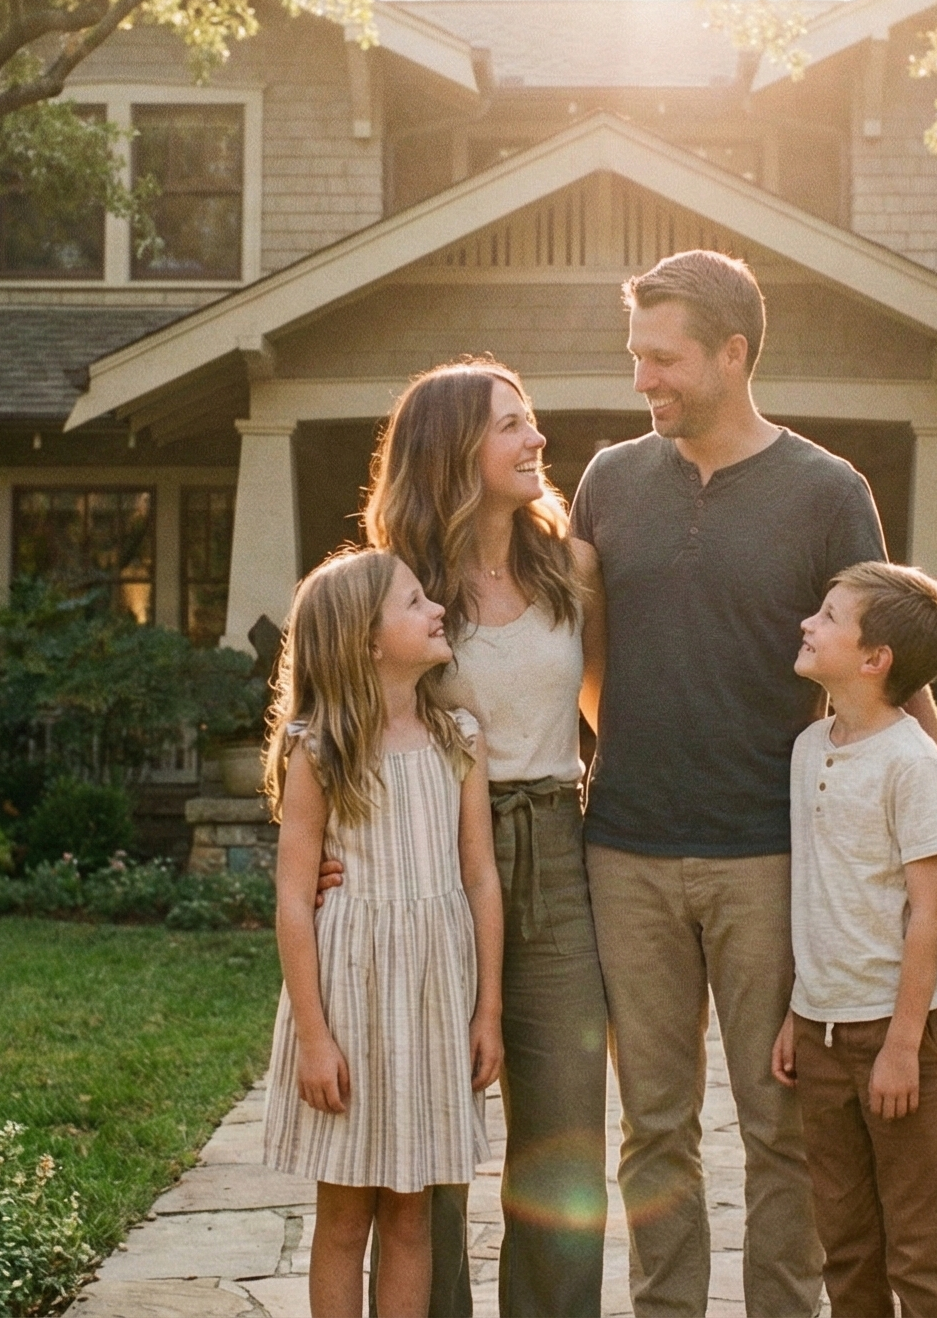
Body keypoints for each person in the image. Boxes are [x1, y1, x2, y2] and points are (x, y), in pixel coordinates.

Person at [570, 249, 937, 1318]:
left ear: (733, 353)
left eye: (665, 359)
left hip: (769, 857)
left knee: (778, 1127)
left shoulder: (828, 492)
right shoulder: (608, 481)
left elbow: (886, 660)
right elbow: (579, 646)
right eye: (636, 357)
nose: (644, 380)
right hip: (627, 848)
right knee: (652, 1127)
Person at [363, 360, 611, 1316]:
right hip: (430, 853)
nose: (535, 439)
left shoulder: (571, 569)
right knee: (430, 1132)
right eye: (511, 425)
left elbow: (602, 709)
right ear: (451, 451)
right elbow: (339, 729)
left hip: (553, 847)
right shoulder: (396, 588)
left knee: (564, 1135)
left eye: (532, 419)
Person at [263, 549, 506, 1318]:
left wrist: (488, 1009)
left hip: (435, 997)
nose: (436, 608)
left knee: (411, 1212)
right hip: (352, 999)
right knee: (345, 1214)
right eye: (413, 602)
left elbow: (479, 878)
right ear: (367, 641)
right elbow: (295, 898)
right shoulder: (320, 747)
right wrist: (313, 1037)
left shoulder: (458, 735)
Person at [770, 562, 937, 1318]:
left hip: (901, 1031)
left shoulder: (913, 763)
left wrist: (901, 1045)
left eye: (826, 616)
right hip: (823, 1032)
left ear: (873, 658)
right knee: (846, 1241)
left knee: (917, 1243)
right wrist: (800, 1009)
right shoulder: (809, 747)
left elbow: (929, 912)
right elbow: (820, 895)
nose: (806, 625)